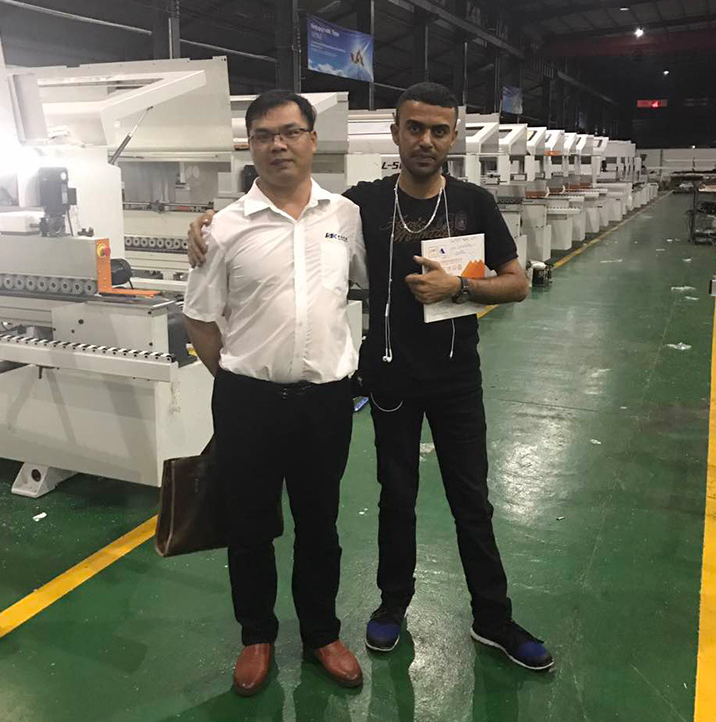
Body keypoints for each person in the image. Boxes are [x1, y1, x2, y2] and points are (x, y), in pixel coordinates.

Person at [188, 82, 554, 672]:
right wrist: (207, 227)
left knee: (468, 503)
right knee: (390, 500)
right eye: (415, 128)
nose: (426, 140)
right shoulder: (362, 205)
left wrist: (460, 286)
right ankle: (382, 608)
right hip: (387, 380)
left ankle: (491, 618)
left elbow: (516, 282)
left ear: (453, 137)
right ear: (395, 133)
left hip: (451, 378)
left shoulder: (464, 203)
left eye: (438, 130)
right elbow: (223, 290)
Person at [183, 89, 367, 697]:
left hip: (327, 403)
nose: (278, 145)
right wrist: (238, 380)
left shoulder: (346, 216)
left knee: (320, 523)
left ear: (313, 139)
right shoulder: (223, 228)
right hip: (249, 402)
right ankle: (256, 637)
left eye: (290, 132)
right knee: (249, 526)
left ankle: (322, 635)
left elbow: (372, 283)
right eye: (264, 135)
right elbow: (200, 319)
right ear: (251, 146)